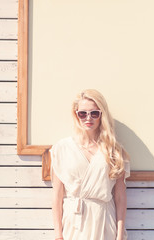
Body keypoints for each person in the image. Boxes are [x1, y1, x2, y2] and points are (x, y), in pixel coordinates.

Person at [50, 89, 130, 240]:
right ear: (76, 114)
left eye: (94, 113)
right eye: (83, 113)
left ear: (101, 115)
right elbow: (57, 195)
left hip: (104, 220)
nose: (88, 118)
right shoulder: (62, 148)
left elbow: (120, 197)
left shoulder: (114, 150)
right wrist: (58, 235)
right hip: (73, 223)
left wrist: (119, 236)